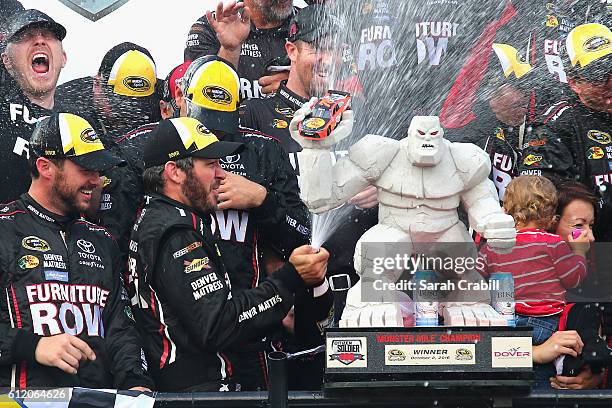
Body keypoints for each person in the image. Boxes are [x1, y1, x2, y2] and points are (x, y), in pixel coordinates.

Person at [128, 116, 329, 391]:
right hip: (196, 393)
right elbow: (218, 324)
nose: (222, 174)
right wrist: (289, 279)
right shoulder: (175, 231)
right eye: (211, 164)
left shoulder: (162, 217)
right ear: (174, 172)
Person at [174, 54, 328, 390]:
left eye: (221, 128)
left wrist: (261, 199)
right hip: (183, 335)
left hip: (256, 326)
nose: (213, 146)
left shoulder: (263, 149)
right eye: (205, 129)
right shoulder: (158, 150)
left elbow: (303, 233)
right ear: (181, 103)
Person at [0, 112, 152, 390]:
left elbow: (120, 325)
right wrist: (33, 346)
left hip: (95, 400)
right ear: (45, 167)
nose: (97, 181)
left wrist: (134, 382)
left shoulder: (101, 239)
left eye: (99, 170)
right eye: (86, 169)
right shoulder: (4, 230)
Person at [478, 175, 591, 387]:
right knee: (541, 376)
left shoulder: (493, 245)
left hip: (505, 322)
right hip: (546, 323)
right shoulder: (554, 244)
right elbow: (573, 278)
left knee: (508, 371)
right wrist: (579, 252)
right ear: (551, 214)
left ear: (507, 210)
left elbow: (475, 278)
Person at [518, 23, 612, 240]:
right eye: (598, 74)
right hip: (590, 253)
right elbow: (536, 199)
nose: (610, 81)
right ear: (574, 82)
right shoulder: (556, 126)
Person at [0, 9, 66, 203]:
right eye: (26, 36)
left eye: (49, 35)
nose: (39, 41)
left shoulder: (77, 122)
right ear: (7, 61)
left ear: (63, 58)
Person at [184, 0, 297, 99]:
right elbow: (200, 99)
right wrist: (229, 50)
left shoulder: (309, 22)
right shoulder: (210, 27)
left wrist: (297, 85)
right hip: (229, 121)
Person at [55, 42, 162, 144]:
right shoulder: (66, 108)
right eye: (120, 105)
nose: (130, 113)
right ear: (97, 85)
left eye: (140, 103)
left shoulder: (165, 101)